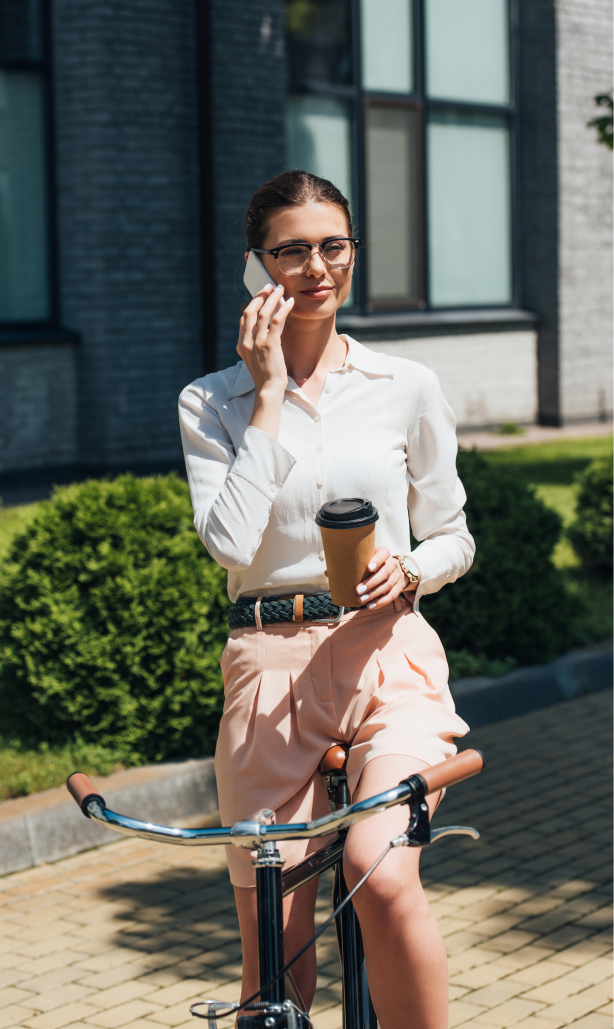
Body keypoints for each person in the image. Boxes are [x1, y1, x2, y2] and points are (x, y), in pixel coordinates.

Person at [179, 170, 475, 1029]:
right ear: (255, 268)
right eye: (292, 249)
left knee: (378, 874)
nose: (316, 266)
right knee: (278, 966)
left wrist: (413, 569)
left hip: (389, 655)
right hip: (267, 670)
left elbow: (454, 534)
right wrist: (267, 392)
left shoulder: (405, 386)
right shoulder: (211, 401)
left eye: (332, 245)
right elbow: (230, 545)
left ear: (352, 253)